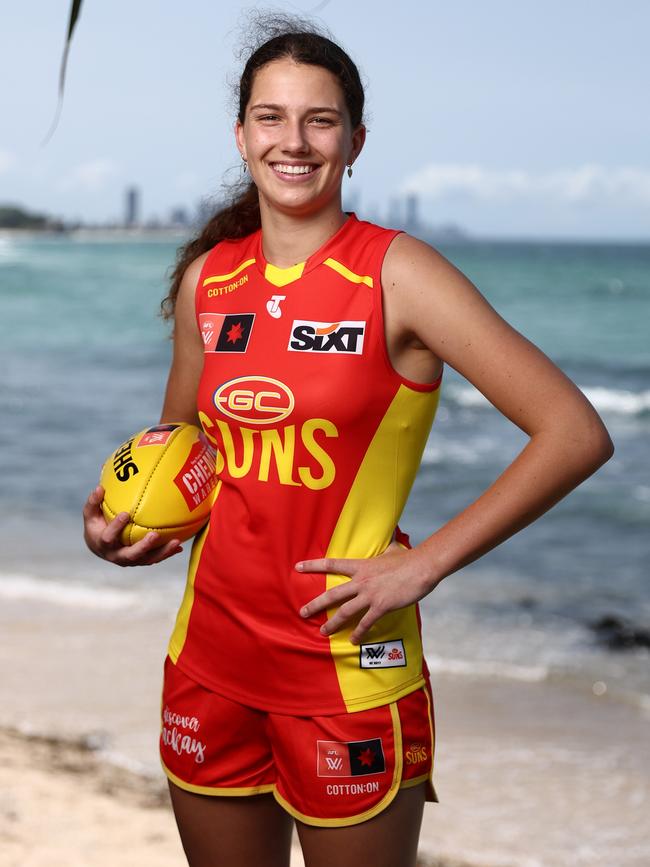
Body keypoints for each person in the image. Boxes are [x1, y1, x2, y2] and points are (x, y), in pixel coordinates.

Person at [83, 19, 614, 867]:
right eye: (271, 117)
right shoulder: (208, 280)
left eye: (319, 120)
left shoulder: (399, 274)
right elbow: (183, 443)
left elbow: (574, 432)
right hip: (208, 659)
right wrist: (126, 509)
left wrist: (425, 560)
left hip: (346, 673)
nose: (293, 141)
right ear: (241, 134)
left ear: (355, 140)